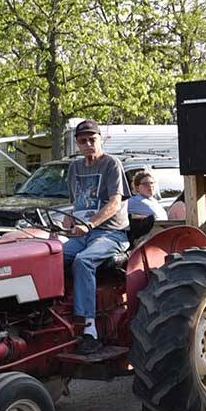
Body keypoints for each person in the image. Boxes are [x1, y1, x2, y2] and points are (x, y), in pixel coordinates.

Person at [62, 120, 131, 354]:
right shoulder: (75, 168)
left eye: (93, 139)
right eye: (83, 140)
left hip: (111, 234)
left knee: (83, 260)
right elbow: (77, 203)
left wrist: (89, 225)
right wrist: (70, 219)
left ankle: (88, 328)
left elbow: (114, 203)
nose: (89, 144)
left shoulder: (111, 164)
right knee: (51, 257)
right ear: (77, 144)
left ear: (101, 140)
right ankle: (55, 318)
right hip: (82, 234)